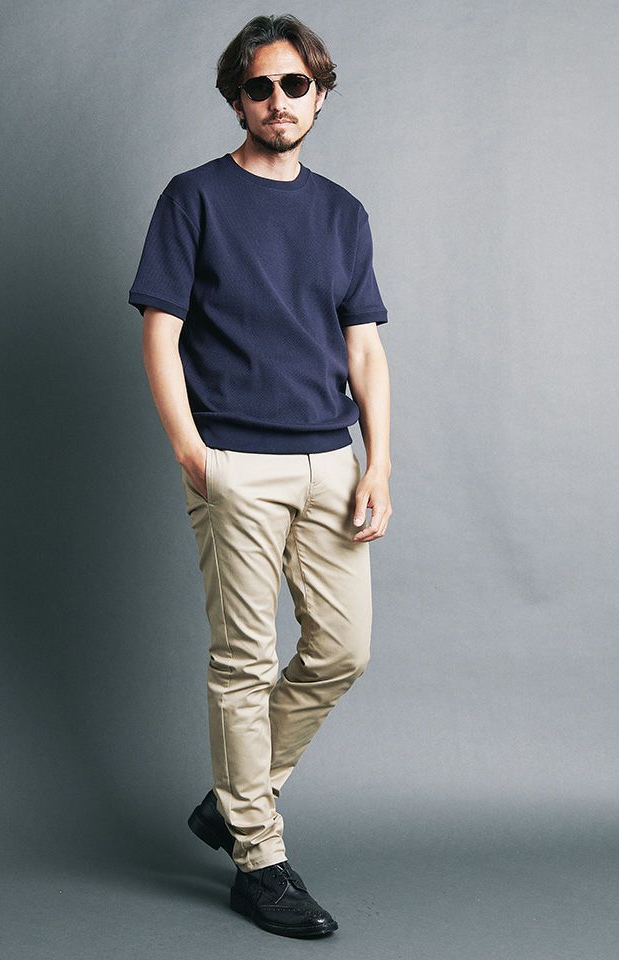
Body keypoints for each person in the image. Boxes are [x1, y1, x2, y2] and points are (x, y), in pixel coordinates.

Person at [127, 14, 392, 939]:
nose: (278, 101)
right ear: (236, 99)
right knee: (242, 662)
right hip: (235, 461)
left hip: (331, 461)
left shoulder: (343, 213)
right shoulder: (193, 198)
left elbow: (365, 350)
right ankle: (259, 859)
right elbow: (160, 332)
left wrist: (379, 463)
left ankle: (235, 797)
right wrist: (193, 454)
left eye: (294, 85)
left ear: (319, 95)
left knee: (342, 649)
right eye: (259, 87)